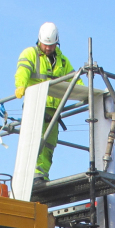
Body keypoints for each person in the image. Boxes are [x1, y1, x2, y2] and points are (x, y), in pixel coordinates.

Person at [14, 22, 77, 186]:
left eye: (51, 45)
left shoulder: (62, 61)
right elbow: (23, 70)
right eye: (45, 44)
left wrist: (87, 93)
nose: (48, 48)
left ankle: (42, 175)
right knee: (35, 142)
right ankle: (33, 176)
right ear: (39, 41)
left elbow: (75, 80)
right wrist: (20, 85)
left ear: (57, 42)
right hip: (35, 106)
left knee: (49, 144)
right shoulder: (30, 54)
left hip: (54, 111)